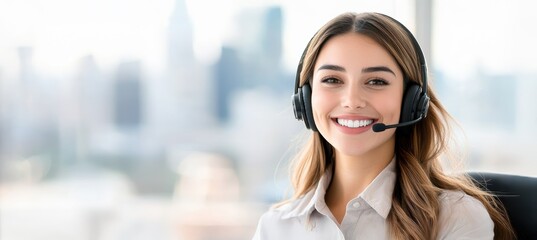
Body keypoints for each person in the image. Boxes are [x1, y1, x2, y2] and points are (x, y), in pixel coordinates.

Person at [252, 12, 515, 240]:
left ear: (412, 100)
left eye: (376, 81)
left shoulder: (456, 217)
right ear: (306, 99)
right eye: (332, 79)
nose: (352, 101)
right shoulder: (276, 227)